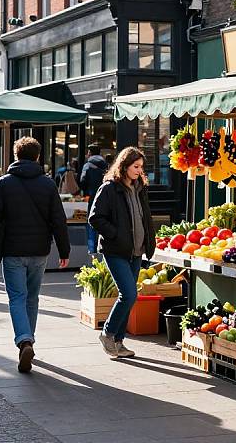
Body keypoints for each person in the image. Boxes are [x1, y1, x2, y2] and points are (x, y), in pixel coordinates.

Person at [0, 137, 70, 373]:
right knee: (32, 298)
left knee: (17, 298)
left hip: (12, 250)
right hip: (40, 251)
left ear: (15, 155)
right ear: (38, 157)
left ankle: (24, 340)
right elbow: (58, 221)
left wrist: (3, 224)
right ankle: (29, 339)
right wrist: (65, 251)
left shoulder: (4, 183)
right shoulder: (48, 184)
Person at [88, 147, 155, 359]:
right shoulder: (109, 188)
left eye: (141, 167)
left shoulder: (139, 187)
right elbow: (95, 217)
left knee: (129, 297)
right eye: (135, 167)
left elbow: (144, 217)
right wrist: (115, 234)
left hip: (136, 251)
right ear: (124, 166)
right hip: (116, 250)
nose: (139, 170)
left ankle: (118, 341)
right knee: (129, 294)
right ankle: (108, 334)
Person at [80, 145, 108, 254]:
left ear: (90, 153)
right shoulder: (106, 165)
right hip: (106, 197)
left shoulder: (87, 165)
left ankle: (92, 251)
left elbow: (82, 181)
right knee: (103, 221)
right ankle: (102, 249)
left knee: (91, 222)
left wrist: (86, 191)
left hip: (92, 197)